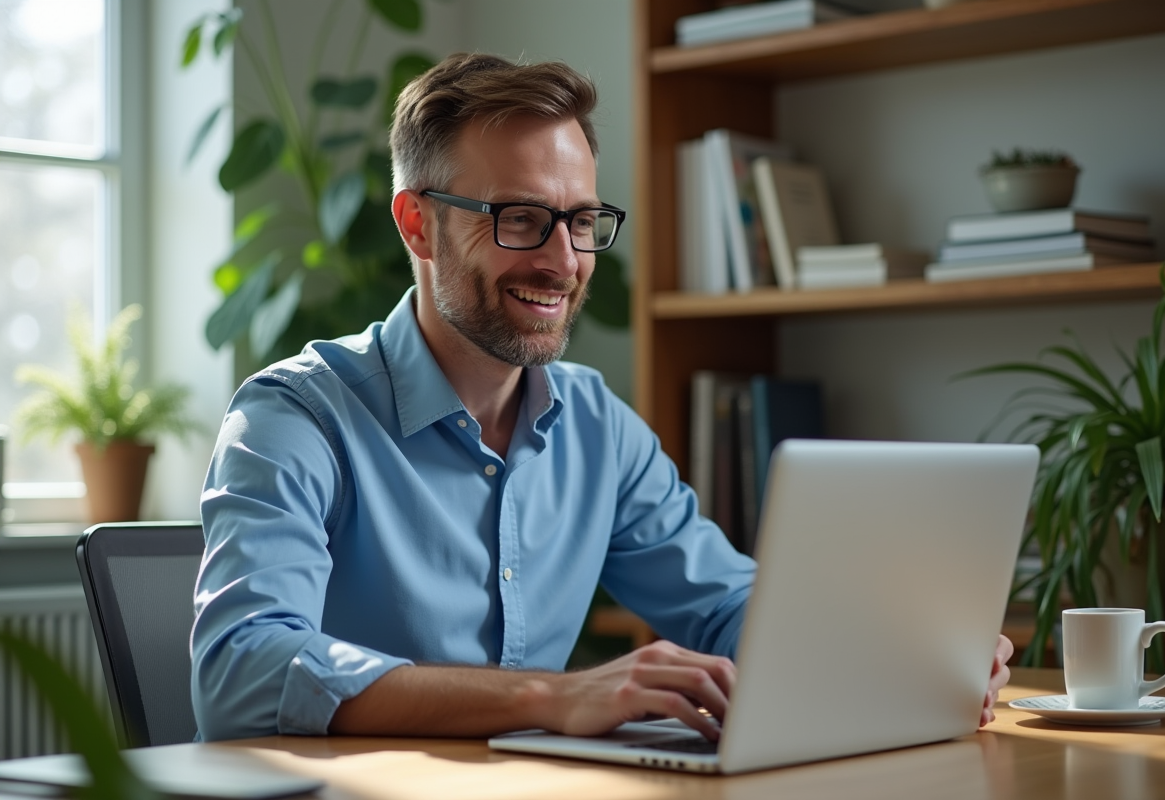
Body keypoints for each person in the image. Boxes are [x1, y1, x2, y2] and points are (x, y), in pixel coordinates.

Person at [191, 52, 1013, 742]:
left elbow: (728, 604)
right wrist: (549, 696)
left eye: (581, 221)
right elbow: (241, 669)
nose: (564, 259)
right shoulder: (292, 418)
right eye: (520, 218)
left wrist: (902, 655)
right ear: (416, 226)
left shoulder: (595, 426)